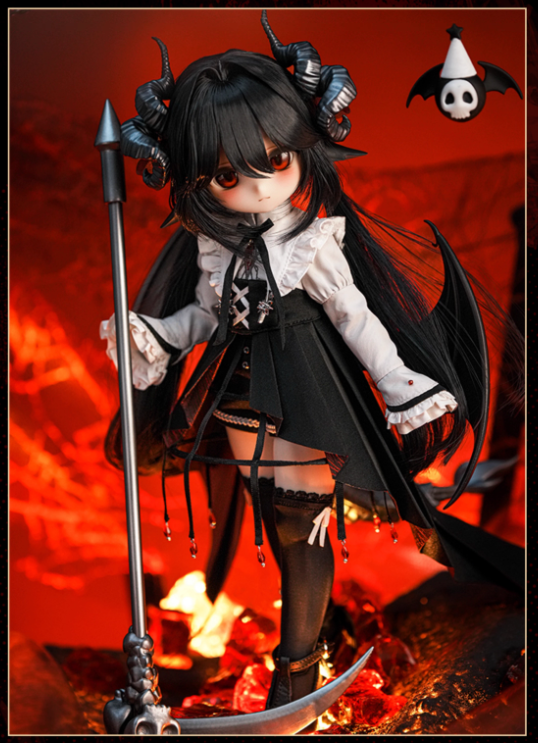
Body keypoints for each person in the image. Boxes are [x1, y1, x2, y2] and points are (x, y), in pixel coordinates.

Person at [100, 11, 522, 710]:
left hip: (310, 395)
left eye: (276, 160)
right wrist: (159, 333)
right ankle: (312, 644)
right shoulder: (215, 250)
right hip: (238, 396)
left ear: (303, 148)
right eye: (229, 173)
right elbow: (207, 315)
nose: (259, 187)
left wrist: (398, 384)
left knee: (302, 528)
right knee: (277, 520)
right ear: (198, 180)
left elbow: (354, 316)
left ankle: (295, 670)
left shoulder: (313, 242)